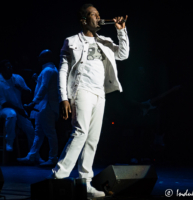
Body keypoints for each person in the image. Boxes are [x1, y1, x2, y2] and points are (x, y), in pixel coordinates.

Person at [50, 4, 129, 198]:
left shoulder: (105, 41)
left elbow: (123, 54)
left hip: (100, 93)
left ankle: (84, 183)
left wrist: (122, 31)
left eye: (99, 14)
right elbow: (63, 71)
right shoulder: (71, 41)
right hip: (81, 91)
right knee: (80, 132)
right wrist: (64, 98)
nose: (99, 18)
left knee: (92, 139)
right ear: (84, 20)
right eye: (94, 15)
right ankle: (58, 178)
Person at [0, 60, 41, 162]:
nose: (10, 68)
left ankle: (34, 155)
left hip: (19, 107)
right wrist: (20, 110)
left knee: (30, 130)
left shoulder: (17, 78)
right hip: (4, 108)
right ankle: (9, 141)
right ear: (2, 69)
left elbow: (29, 92)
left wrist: (22, 89)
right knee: (11, 114)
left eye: (10, 66)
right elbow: (4, 103)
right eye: (7, 66)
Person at [17, 50, 59, 166]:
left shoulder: (48, 70)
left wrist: (33, 103)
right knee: (39, 132)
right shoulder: (49, 70)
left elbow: (44, 88)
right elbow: (46, 86)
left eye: (41, 57)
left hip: (46, 106)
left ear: (45, 58)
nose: (38, 58)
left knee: (49, 132)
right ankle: (32, 155)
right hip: (45, 105)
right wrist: (37, 80)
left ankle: (53, 158)